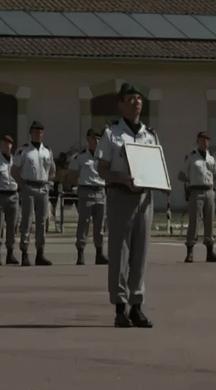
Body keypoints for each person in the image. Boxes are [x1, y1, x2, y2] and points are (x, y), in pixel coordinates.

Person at [97, 83, 158, 328]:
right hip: (120, 196)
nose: (136, 103)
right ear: (121, 104)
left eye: (139, 99)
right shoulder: (112, 134)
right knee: (120, 253)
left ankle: (137, 306)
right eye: (131, 99)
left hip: (144, 199)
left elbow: (155, 166)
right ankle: (120, 307)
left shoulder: (150, 134)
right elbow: (102, 168)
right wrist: (122, 179)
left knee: (140, 253)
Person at [11, 121, 54, 266]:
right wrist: (22, 185)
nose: (38, 134)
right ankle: (25, 253)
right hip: (28, 187)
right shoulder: (23, 150)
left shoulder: (47, 150)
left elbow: (52, 170)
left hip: (43, 188)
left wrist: (50, 183)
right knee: (27, 221)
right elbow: (14, 170)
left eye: (41, 131)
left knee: (42, 222)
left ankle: (40, 254)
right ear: (30, 133)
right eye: (35, 131)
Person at [179, 131, 216, 263]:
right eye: (202, 140)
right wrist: (190, 182)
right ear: (197, 141)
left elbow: (215, 174)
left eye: (207, 140)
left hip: (209, 191)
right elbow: (181, 175)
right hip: (196, 191)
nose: (205, 142)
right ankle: (190, 251)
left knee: (210, 221)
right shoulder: (191, 157)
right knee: (194, 222)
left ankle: (210, 252)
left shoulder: (211, 157)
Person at [66, 128, 108, 265]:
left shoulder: (104, 156)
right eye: (92, 138)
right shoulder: (80, 157)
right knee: (83, 223)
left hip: (101, 191)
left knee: (100, 225)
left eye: (98, 138)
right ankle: (80, 253)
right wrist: (79, 184)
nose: (95, 141)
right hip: (86, 191)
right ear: (88, 140)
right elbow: (71, 175)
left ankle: (99, 253)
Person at [0, 135, 19, 265]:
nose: (7, 146)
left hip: (14, 195)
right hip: (0, 195)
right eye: (5, 144)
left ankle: (10, 254)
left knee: (12, 227)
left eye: (9, 144)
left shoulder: (16, 160)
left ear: (12, 146)